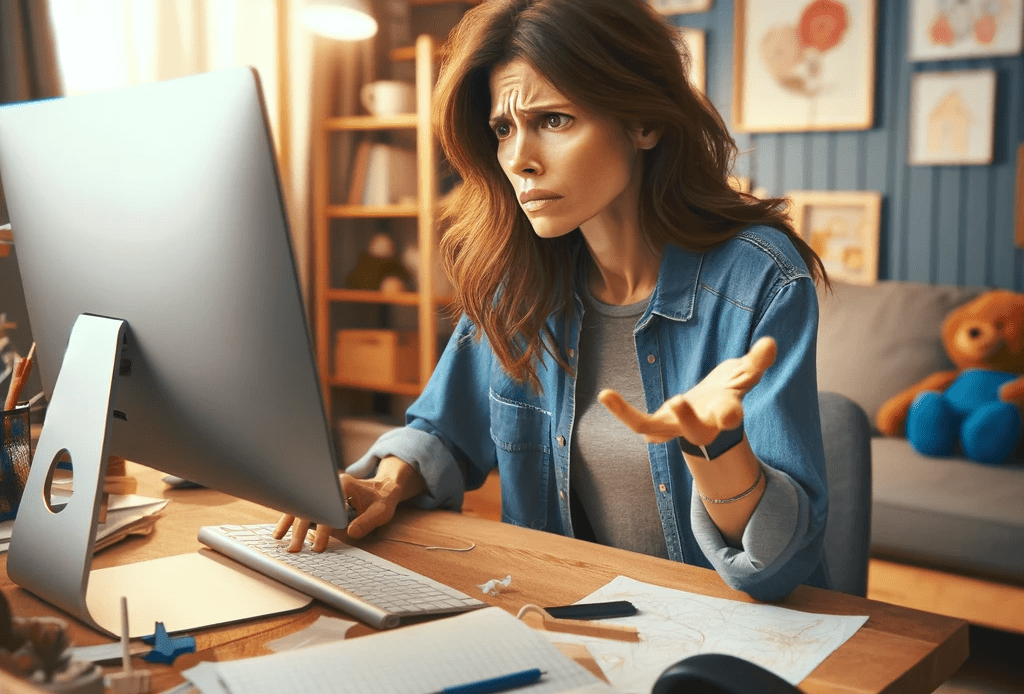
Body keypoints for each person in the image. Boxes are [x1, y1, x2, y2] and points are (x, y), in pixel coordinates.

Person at [278, 0, 832, 602]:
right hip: (564, 619)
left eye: (554, 120)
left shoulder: (759, 281)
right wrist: (388, 482)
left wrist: (717, 446)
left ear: (643, 122)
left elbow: (780, 568)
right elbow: (442, 429)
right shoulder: (516, 280)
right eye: (503, 128)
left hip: (721, 635)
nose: (519, 158)